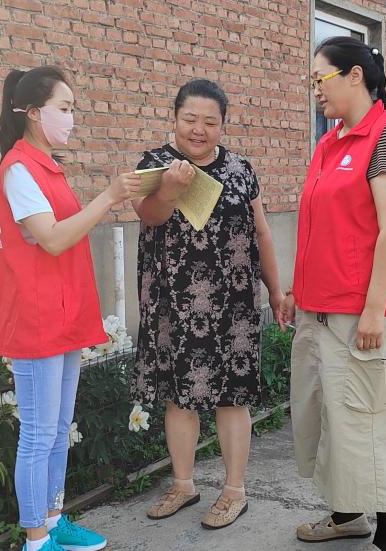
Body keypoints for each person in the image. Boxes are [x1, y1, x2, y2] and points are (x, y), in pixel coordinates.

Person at [0, 65, 141, 551]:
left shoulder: (47, 168)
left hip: (62, 314)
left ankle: (53, 520)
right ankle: (36, 540)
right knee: (37, 434)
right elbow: (53, 239)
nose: (72, 119)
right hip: (35, 320)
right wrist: (109, 196)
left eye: (73, 109)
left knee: (57, 429)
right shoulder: (18, 169)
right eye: (65, 108)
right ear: (34, 113)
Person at [278, 37, 386, 551]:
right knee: (330, 422)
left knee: (372, 426)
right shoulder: (328, 143)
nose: (316, 89)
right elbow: (320, 227)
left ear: (355, 76)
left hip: (361, 315)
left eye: (322, 78)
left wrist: (375, 309)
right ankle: (347, 516)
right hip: (318, 311)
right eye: (312, 80)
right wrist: (299, 289)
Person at [131, 79, 285, 530]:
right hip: (173, 306)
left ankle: (234, 491)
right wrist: (170, 189)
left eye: (209, 122)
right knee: (179, 397)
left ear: (222, 125)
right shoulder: (154, 164)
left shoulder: (240, 169)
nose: (198, 130)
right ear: (175, 118)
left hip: (234, 306)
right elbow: (149, 215)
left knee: (232, 397)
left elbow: (260, 233)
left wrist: (277, 292)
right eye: (190, 120)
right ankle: (183, 485)